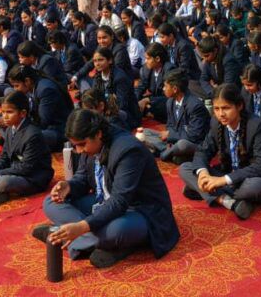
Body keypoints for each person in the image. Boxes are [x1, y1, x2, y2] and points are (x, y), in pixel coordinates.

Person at [34, 109, 180, 268]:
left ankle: (63, 235)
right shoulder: (89, 145)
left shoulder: (128, 150)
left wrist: (81, 227)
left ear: (98, 134)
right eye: (75, 146)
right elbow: (83, 178)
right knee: (51, 202)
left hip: (140, 211)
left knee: (116, 230)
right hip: (104, 201)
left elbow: (120, 201)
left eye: (82, 145)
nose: (79, 151)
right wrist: (69, 186)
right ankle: (97, 242)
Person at [179, 83, 261, 219]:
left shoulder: (257, 125)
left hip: (253, 177)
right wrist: (203, 173)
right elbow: (203, 151)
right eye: (217, 108)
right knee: (185, 168)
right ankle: (228, 202)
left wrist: (223, 180)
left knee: (256, 186)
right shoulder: (216, 122)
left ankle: (206, 191)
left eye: (226, 108)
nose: (220, 114)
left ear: (239, 106)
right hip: (229, 173)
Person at [0, 91, 54, 207]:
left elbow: (26, 168)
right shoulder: (10, 129)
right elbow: (4, 156)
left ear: (23, 113)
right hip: (12, 169)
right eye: (3, 112)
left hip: (32, 177)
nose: (5, 116)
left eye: (9, 112)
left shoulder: (33, 134)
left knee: (2, 183)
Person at [137, 69, 209, 163]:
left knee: (183, 145)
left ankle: (164, 154)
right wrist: (170, 140)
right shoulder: (170, 102)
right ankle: (172, 153)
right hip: (175, 140)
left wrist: (170, 135)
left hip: (192, 143)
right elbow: (170, 125)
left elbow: (194, 136)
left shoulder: (195, 105)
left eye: (165, 86)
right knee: (145, 133)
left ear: (175, 89)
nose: (163, 89)